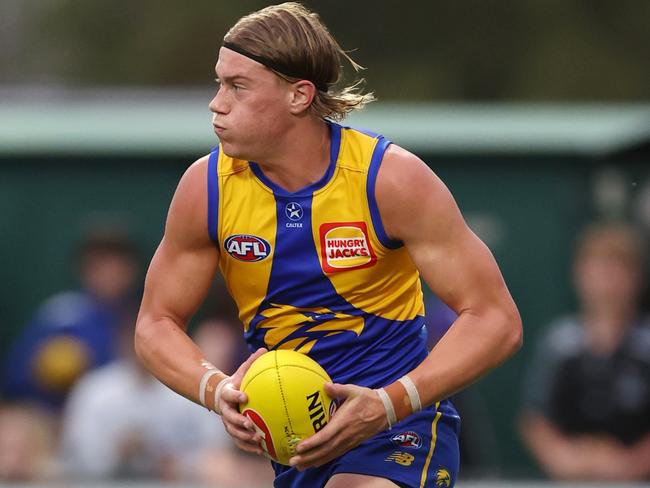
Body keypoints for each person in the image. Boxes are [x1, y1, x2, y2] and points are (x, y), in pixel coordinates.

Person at [134, 3, 522, 487]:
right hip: (295, 445)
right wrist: (218, 391)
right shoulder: (205, 188)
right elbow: (154, 324)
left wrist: (387, 404)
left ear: (299, 95)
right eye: (219, 83)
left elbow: (497, 320)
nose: (217, 102)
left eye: (238, 86)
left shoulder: (390, 179)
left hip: (400, 427)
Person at [519, 222, 650, 481]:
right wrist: (564, 458)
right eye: (598, 269)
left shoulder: (645, 346)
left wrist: (629, 464)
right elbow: (534, 418)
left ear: (636, 277)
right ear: (578, 274)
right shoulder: (558, 343)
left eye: (617, 269)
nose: (606, 280)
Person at [2, 228, 139, 410]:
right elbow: (13, 378)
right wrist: (42, 367)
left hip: (115, 417)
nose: (110, 273)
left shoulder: (142, 319)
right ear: (84, 269)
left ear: (131, 271)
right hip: (53, 416)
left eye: (117, 264)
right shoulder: (61, 315)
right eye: (99, 264)